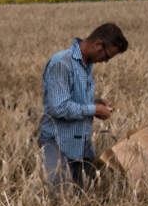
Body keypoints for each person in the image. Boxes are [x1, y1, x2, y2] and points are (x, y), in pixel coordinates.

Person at [38, 22, 129, 187]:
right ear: (98, 45)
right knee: (60, 199)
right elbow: (57, 107)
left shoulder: (87, 65)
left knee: (83, 199)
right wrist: (94, 109)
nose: (106, 61)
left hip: (81, 144)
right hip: (58, 143)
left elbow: (73, 99)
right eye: (107, 56)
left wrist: (95, 102)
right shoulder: (62, 63)